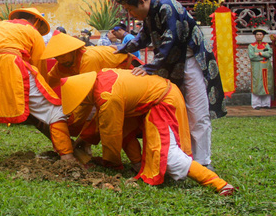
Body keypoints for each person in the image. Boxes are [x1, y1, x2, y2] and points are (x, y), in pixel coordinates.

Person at [61, 71, 235, 196]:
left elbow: (110, 133)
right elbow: (103, 121)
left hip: (162, 101)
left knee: (168, 154)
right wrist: (84, 138)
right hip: (153, 96)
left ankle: (218, 184)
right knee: (125, 132)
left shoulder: (107, 97)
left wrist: (111, 163)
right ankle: (139, 166)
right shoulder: (100, 77)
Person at [114, 0, 226, 169]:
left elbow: (171, 39)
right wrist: (120, 50)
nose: (130, 14)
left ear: (141, 2)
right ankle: (183, 157)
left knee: (197, 112)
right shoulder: (150, 14)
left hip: (191, 60)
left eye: (130, 9)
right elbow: (143, 37)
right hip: (172, 63)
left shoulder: (167, 6)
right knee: (175, 110)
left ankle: (203, 162)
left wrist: (149, 68)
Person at [0, 7, 77, 165]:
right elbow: (39, 63)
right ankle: (67, 157)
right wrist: (45, 87)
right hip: (12, 65)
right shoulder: (32, 31)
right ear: (36, 21)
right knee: (54, 112)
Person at [41, 31, 139, 89]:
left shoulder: (88, 59)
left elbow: (86, 91)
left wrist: (73, 121)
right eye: (57, 57)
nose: (60, 60)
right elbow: (48, 82)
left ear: (73, 51)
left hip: (129, 69)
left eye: (62, 56)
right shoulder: (63, 63)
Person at [248, 28, 274, 109]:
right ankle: (256, 104)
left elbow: (269, 54)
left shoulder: (267, 45)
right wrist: (263, 56)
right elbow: (252, 56)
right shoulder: (251, 46)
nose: (259, 36)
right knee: (257, 83)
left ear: (263, 36)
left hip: (266, 68)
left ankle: (266, 103)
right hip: (257, 68)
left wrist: (259, 53)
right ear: (255, 36)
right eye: (257, 34)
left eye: (260, 34)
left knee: (267, 84)